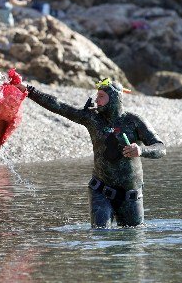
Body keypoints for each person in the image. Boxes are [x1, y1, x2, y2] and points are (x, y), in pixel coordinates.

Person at [17, 78, 165, 228]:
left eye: (101, 96)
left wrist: (141, 150)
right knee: (100, 235)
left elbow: (160, 148)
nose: (96, 100)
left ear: (114, 98)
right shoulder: (92, 118)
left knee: (133, 239)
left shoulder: (134, 121)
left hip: (130, 195)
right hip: (100, 191)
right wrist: (27, 89)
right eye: (97, 95)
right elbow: (59, 106)